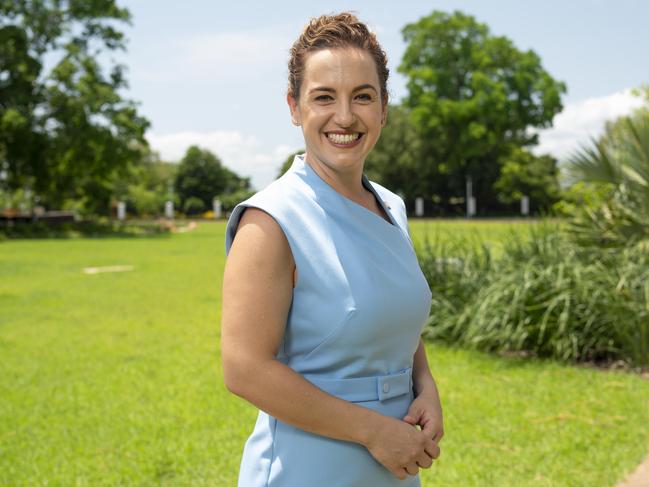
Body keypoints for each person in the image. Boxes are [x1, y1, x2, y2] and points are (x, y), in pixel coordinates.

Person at [221, 12, 444, 486]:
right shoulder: (270, 221)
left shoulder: (391, 207)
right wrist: (372, 432)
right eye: (324, 97)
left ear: (383, 108)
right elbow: (244, 369)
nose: (345, 117)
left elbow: (393, 317)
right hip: (308, 467)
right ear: (294, 107)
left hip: (395, 463)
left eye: (362, 96)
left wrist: (425, 387)